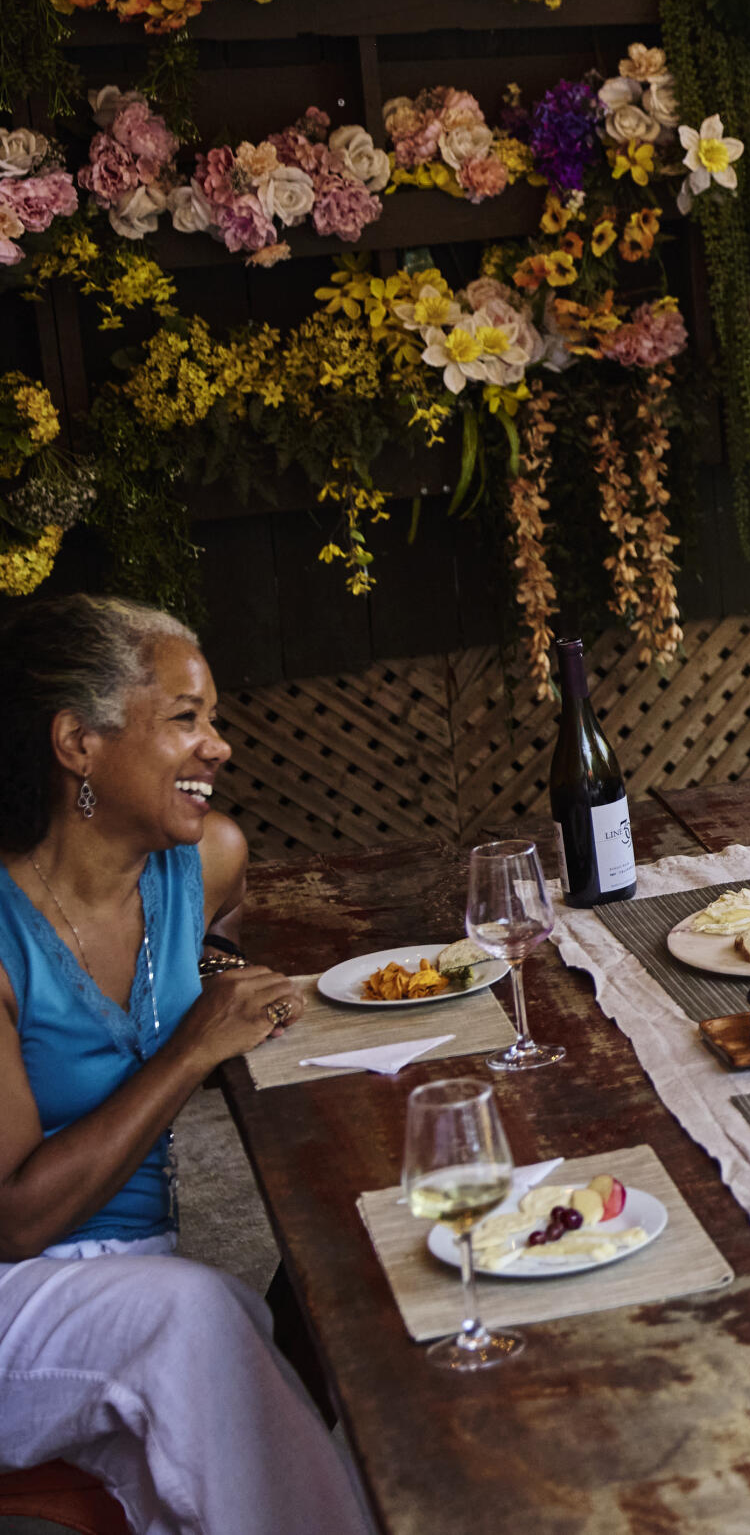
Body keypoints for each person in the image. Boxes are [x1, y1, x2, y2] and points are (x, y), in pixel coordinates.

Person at [0, 594, 376, 1535]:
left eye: (212, 718)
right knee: (200, 1321)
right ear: (78, 743)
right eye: (184, 718)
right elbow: (15, 1217)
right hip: (16, 1291)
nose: (219, 746)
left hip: (134, 1278)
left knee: (292, 1322)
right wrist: (193, 1043)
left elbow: (212, 949)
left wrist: (217, 980)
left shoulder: (204, 861)